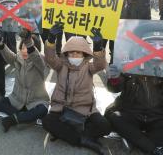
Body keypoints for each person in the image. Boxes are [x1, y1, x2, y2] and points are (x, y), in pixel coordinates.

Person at [42, 24, 111, 155]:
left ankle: (66, 133)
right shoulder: (60, 65)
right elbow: (50, 59)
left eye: (78, 52)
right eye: (71, 52)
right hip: (61, 109)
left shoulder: (89, 67)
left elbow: (100, 64)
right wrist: (51, 40)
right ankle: (84, 140)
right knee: (47, 121)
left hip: (85, 111)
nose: (74, 55)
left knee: (105, 126)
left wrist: (98, 47)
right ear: (66, 53)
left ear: (84, 54)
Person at [105, 64, 163, 155]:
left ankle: (136, 139)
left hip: (159, 116)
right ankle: (151, 148)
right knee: (115, 117)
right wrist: (114, 78)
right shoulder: (128, 62)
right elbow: (114, 88)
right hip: (132, 113)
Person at [0, 25, 49, 132]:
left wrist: (28, 42)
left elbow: (36, 56)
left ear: (35, 49)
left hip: (35, 102)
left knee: (43, 110)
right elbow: (8, 55)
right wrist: (1, 44)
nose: (25, 51)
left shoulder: (40, 62)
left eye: (27, 48)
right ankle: (23, 117)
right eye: (22, 47)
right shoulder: (18, 58)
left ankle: (13, 119)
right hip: (17, 101)